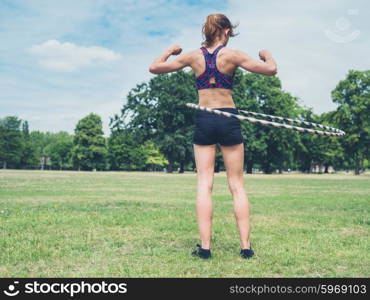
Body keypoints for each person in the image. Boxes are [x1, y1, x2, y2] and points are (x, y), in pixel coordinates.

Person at [149, 13, 277, 259]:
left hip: (205, 118)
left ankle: (205, 249)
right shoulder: (233, 55)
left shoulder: (193, 56)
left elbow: (155, 67)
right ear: (226, 31)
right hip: (228, 117)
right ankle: (246, 247)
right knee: (237, 185)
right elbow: (271, 70)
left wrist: (170, 49)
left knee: (204, 184)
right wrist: (266, 54)